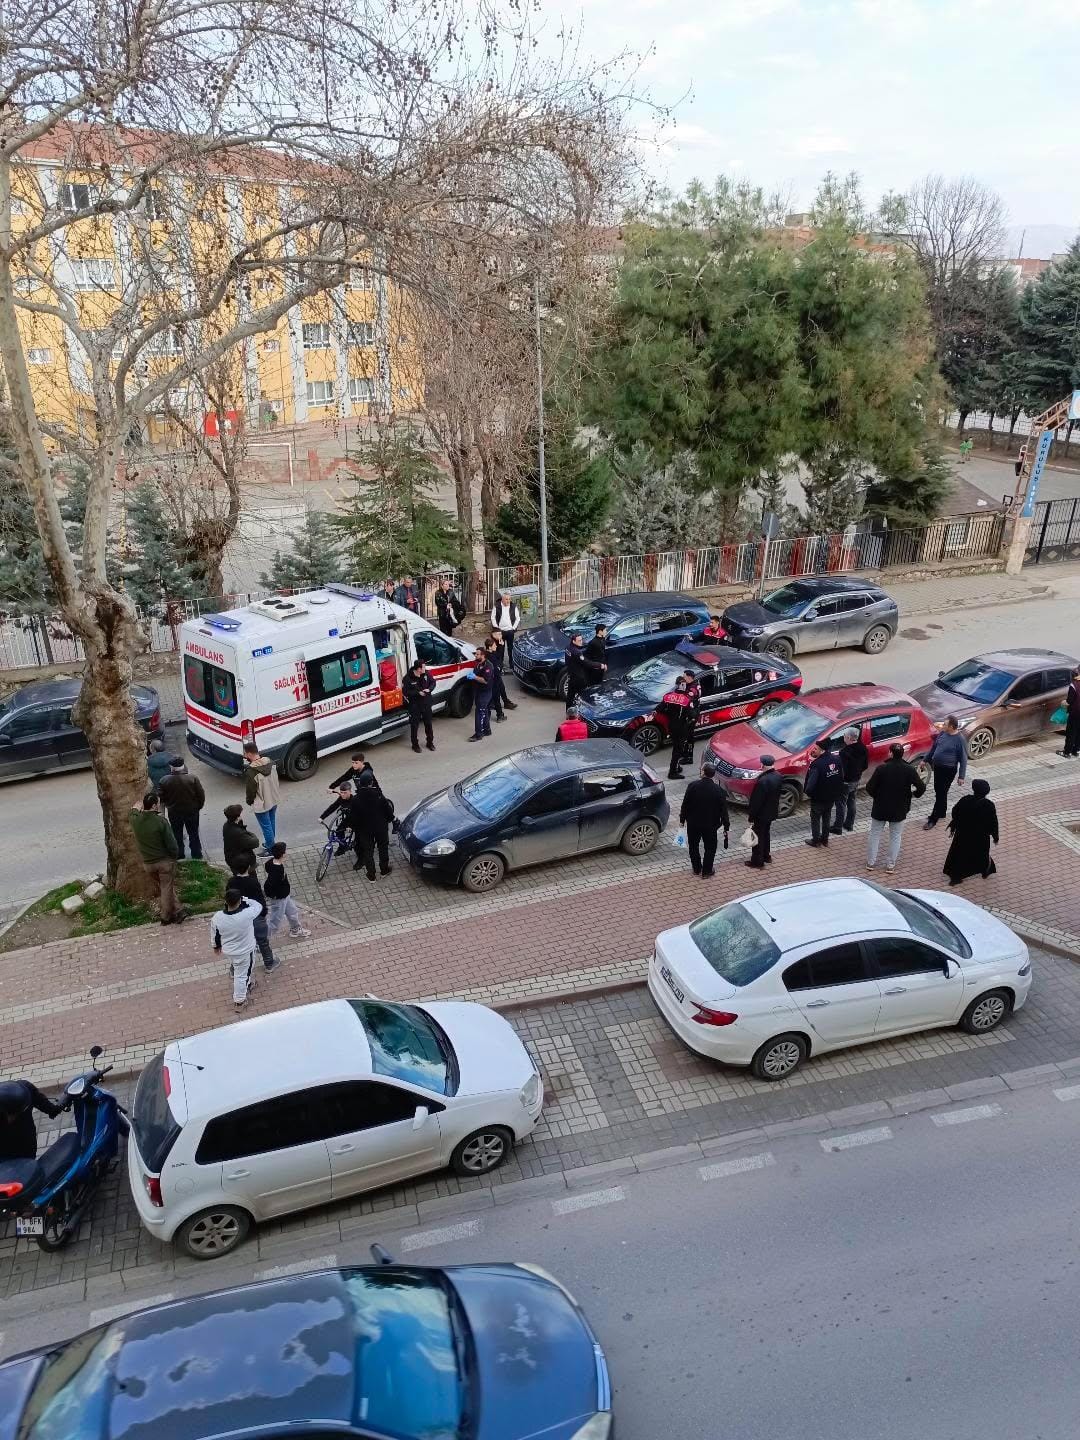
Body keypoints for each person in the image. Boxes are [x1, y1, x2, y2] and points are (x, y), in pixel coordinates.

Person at [866, 743, 926, 874]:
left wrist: (877, 796)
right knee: (895, 836)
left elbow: (869, 788)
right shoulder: (909, 770)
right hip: (899, 808)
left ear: (891, 753)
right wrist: (913, 795)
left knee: (875, 834)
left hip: (880, 808)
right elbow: (921, 787)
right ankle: (890, 865)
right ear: (902, 754)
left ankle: (870, 863)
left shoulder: (882, 768)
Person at [130, 791, 188, 924]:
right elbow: (172, 844)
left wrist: (135, 807)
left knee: (165, 888)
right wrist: (174, 857)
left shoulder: (136, 820)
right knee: (166, 887)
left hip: (148, 864)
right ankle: (166, 917)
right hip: (163, 862)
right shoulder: (161, 821)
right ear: (155, 806)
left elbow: (132, 813)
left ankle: (179, 910)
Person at [211, 887, 262, 1009]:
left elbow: (215, 934)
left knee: (240, 970)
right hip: (245, 951)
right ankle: (240, 1000)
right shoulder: (246, 914)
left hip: (229, 950)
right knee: (242, 975)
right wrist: (246, 899)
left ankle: (247, 983)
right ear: (239, 901)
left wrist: (216, 946)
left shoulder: (217, 917)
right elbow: (258, 906)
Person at [942, 779, 999, 886]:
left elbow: (955, 812)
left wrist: (958, 823)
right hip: (980, 837)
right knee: (981, 854)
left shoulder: (965, 800)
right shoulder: (988, 805)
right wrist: (995, 836)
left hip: (963, 834)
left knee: (960, 855)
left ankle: (956, 877)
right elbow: (993, 822)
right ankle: (985, 871)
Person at [679, 763, 730, 878]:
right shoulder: (719, 791)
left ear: (703, 772)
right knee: (710, 848)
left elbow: (685, 805)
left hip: (693, 824)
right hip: (710, 826)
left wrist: (682, 820)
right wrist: (726, 827)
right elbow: (724, 811)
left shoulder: (692, 786)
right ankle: (707, 871)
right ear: (713, 775)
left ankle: (696, 868)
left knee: (693, 846)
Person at [230, 857, 278, 972]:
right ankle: (269, 964)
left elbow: (229, 900)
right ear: (248, 868)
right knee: (262, 941)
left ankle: (235, 969)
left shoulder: (231, 882)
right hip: (255, 916)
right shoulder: (253, 882)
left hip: (239, 918)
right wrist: (263, 913)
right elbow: (260, 899)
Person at [342, 772, 393, 880]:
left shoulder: (356, 799)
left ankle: (371, 875)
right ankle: (384, 870)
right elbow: (387, 810)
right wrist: (390, 819)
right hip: (380, 828)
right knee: (383, 848)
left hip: (364, 830)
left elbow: (353, 816)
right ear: (371, 782)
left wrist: (351, 826)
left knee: (368, 851)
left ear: (360, 783)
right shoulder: (378, 794)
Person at [0, 1080, 63, 1163]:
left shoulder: (27, 1089)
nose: (11, 1119)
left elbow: (45, 1105)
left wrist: (58, 1107)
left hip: (27, 1148)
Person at [157, 754, 206, 860]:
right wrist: (198, 807)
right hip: (192, 811)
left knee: (177, 833)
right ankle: (196, 854)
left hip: (174, 812)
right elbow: (201, 795)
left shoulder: (164, 780)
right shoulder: (192, 778)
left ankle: (180, 855)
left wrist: (168, 805)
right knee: (193, 833)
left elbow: (161, 797)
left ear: (171, 767)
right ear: (183, 766)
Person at [923, 717, 968, 830]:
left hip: (948, 770)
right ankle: (942, 812)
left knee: (941, 793)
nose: (942, 726)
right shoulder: (943, 734)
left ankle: (933, 819)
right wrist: (925, 760)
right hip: (938, 768)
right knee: (939, 791)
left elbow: (963, 759)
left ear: (952, 727)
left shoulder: (959, 739)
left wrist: (961, 776)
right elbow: (934, 748)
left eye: (945, 724)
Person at [264, 841, 311, 936]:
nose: (287, 852)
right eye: (285, 851)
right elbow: (272, 884)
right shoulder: (278, 869)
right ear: (282, 854)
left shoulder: (270, 862)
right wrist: (274, 895)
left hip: (284, 895)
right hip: (279, 898)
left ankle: (295, 930)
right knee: (275, 922)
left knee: (292, 911)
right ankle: (261, 942)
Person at [804, 742, 845, 848]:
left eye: (816, 749)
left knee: (815, 818)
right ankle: (825, 839)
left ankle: (816, 840)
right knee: (827, 817)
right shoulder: (837, 759)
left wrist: (808, 792)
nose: (813, 750)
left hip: (818, 797)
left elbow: (811, 783)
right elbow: (841, 777)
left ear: (822, 751)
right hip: (831, 796)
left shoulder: (817, 764)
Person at [243, 743, 281, 853]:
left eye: (245, 753)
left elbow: (251, 791)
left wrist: (249, 801)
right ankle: (270, 843)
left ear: (249, 754)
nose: (244, 755)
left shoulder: (251, 771)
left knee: (266, 826)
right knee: (271, 822)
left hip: (261, 804)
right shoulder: (270, 762)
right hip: (273, 799)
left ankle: (270, 849)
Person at [830, 727, 868, 835]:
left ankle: (837, 827)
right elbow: (865, 765)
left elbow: (842, 770)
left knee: (841, 804)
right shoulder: (863, 748)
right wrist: (857, 773)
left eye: (845, 736)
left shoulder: (844, 752)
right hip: (856, 780)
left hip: (846, 782)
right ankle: (849, 824)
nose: (843, 738)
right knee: (851, 801)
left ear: (850, 738)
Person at [745, 756, 781, 869]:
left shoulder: (763, 781)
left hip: (761, 815)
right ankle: (766, 855)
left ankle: (757, 861)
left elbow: (757, 802)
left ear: (762, 765)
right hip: (771, 812)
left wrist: (751, 816)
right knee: (766, 834)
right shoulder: (778, 776)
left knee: (757, 837)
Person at [658, 675, 694, 780]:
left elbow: (660, 709)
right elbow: (691, 714)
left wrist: (669, 714)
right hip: (681, 727)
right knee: (678, 750)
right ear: (683, 685)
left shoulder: (668, 696)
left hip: (671, 726)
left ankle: (677, 767)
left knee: (676, 747)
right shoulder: (686, 699)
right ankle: (672, 772)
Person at [404, 658, 436, 752]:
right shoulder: (408, 678)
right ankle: (415, 745)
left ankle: (430, 743)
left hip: (426, 703)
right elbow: (406, 692)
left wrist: (429, 689)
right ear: (418, 669)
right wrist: (418, 693)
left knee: (428, 724)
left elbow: (433, 682)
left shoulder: (426, 674)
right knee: (414, 726)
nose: (425, 668)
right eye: (423, 667)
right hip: (414, 705)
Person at [222, 803, 261, 875]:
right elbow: (255, 842)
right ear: (237, 817)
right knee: (250, 881)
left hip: (232, 859)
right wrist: (251, 834)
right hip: (242, 863)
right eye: (240, 813)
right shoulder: (238, 833)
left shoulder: (227, 825)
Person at [469, 647, 495, 741]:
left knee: (479, 712)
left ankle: (478, 734)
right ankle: (487, 730)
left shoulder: (488, 666)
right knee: (484, 711)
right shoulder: (478, 664)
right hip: (479, 691)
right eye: (475, 654)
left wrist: (474, 677)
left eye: (477, 654)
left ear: (483, 655)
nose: (475, 655)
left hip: (485, 693)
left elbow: (485, 680)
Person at [563, 633, 591, 710]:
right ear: (573, 641)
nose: (581, 642)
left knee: (570, 696)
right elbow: (586, 663)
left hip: (571, 675)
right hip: (579, 678)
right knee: (584, 696)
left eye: (581, 640)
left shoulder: (567, 648)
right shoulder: (577, 652)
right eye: (579, 640)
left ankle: (568, 713)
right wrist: (599, 665)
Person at [491, 592, 521, 662]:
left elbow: (518, 618)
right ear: (502, 599)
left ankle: (511, 664)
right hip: (500, 632)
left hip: (510, 631)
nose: (508, 601)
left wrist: (513, 628)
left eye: (509, 599)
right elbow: (493, 618)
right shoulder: (497, 606)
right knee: (500, 649)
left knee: (510, 648)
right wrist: (497, 629)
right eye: (506, 599)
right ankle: (500, 665)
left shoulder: (513, 606)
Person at [1061, 667, 1080, 758]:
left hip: (1075, 712)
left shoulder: (1074, 685)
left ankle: (1067, 752)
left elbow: (1069, 701)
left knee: (1071, 732)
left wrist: (1063, 703)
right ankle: (1076, 751)